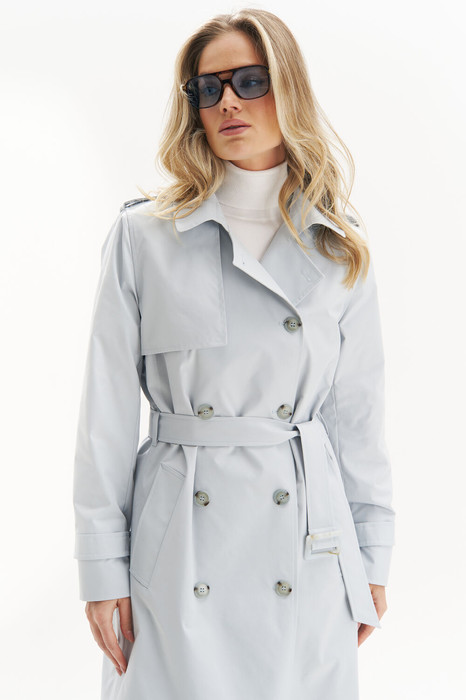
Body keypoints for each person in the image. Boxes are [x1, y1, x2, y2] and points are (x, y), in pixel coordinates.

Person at [73, 8, 396, 700]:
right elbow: (104, 417)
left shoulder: (339, 243)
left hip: (306, 540)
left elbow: (357, 418)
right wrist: (100, 567)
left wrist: (371, 555)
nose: (226, 102)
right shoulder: (145, 236)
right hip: (177, 544)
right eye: (207, 87)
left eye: (250, 81)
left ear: (288, 88)